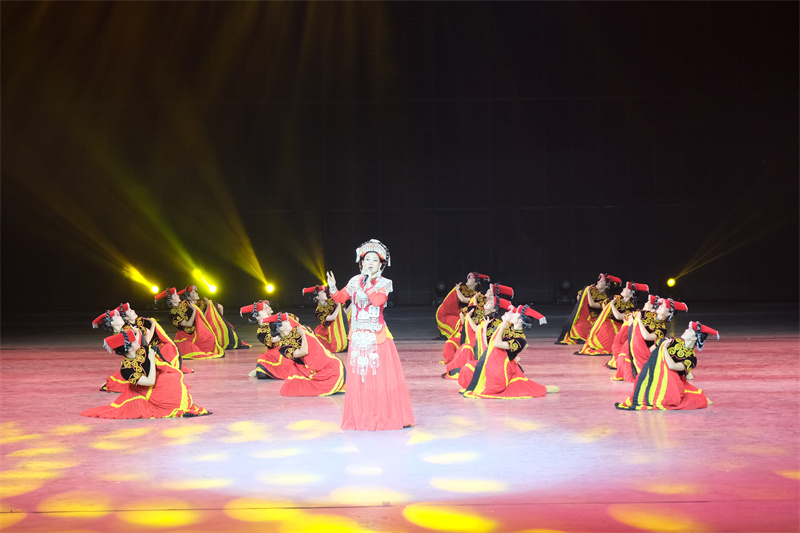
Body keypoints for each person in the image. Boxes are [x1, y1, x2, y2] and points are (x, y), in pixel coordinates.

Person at [326, 239, 415, 431]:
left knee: (379, 378)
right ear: (361, 262)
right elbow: (341, 298)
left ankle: (382, 416)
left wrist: (367, 284)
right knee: (360, 378)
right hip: (357, 337)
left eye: (375, 260)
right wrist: (333, 287)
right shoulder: (354, 281)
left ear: (381, 264)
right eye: (367, 259)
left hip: (377, 337)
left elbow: (376, 301)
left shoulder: (384, 283)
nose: (370, 263)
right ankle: (361, 417)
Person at [81, 328, 210, 419]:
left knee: (169, 377)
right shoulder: (126, 370)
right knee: (166, 383)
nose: (137, 341)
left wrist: (139, 330)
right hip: (145, 391)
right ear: (129, 348)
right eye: (134, 341)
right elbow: (150, 381)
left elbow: (140, 336)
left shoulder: (141, 350)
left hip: (158, 383)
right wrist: (151, 359)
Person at [616, 321, 717, 411]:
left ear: (694, 338)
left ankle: (701, 398)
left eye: (689, 330)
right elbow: (651, 351)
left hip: (672, 383)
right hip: (654, 375)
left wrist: (664, 348)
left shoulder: (691, 359)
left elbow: (672, 366)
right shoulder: (673, 341)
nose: (686, 330)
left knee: (690, 400)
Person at [462, 305, 558, 398]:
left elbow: (496, 343)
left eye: (516, 314)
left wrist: (502, 327)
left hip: (500, 369)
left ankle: (543, 389)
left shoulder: (520, 340)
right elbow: (489, 346)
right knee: (467, 368)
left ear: (519, 321)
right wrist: (484, 328)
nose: (513, 313)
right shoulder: (508, 327)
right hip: (493, 363)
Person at [262, 312, 346, 397]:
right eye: (286, 322)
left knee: (335, 367)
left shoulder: (297, 329)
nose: (289, 321)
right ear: (281, 328)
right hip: (306, 367)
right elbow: (304, 352)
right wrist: (303, 335)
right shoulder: (284, 348)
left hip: (320, 359)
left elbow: (311, 336)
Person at [612, 297, 688, 383]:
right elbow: (628, 319)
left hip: (644, 352)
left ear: (669, 313)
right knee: (623, 363)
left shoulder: (662, 329)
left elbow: (647, 337)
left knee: (636, 374)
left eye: (664, 307)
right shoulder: (646, 313)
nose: (660, 306)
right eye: (661, 305)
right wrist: (633, 322)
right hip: (630, 345)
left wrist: (639, 322)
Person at [116, 302, 191, 374]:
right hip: (142, 353)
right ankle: (170, 368)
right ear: (126, 317)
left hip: (150, 347)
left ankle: (175, 367)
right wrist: (153, 324)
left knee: (169, 346)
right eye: (130, 311)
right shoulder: (128, 330)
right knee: (166, 348)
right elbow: (145, 343)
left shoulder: (140, 321)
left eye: (131, 309)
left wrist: (153, 323)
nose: (133, 311)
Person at [577, 282, 647, 356]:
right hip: (607, 322)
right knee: (603, 326)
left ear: (631, 295)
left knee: (609, 331)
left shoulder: (632, 308)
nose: (624, 289)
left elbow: (619, 317)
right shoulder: (615, 297)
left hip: (618, 327)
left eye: (626, 289)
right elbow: (603, 305)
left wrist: (612, 305)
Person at [156, 287, 225, 359]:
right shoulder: (172, 313)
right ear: (170, 300)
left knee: (211, 338)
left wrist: (191, 288)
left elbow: (197, 310)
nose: (178, 295)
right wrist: (194, 310)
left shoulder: (184, 304)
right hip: (186, 336)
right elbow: (188, 324)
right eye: (175, 295)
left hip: (196, 331)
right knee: (195, 349)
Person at [555, 273, 621, 345]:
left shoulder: (605, 298)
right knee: (575, 326)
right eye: (599, 280)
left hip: (594, 319)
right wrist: (583, 294)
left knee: (587, 329)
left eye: (601, 281)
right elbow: (579, 299)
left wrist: (588, 292)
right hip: (584, 317)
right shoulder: (593, 290)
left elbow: (592, 304)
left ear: (606, 286)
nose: (598, 281)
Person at [179, 285, 250, 350]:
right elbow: (201, 320)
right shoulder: (188, 306)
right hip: (198, 329)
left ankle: (223, 328)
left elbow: (220, 307)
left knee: (212, 304)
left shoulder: (201, 303)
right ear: (188, 296)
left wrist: (220, 320)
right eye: (194, 293)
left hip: (206, 325)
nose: (197, 294)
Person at [241, 300, 298, 380]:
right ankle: (264, 369)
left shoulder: (277, 317)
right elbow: (276, 339)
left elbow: (296, 319)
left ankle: (268, 370)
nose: (268, 309)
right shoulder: (261, 332)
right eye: (264, 309)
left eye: (267, 307)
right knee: (261, 375)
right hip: (274, 354)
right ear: (257, 317)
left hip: (287, 347)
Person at [436, 272, 489, 338]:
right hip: (451, 313)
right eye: (469, 277)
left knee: (463, 327)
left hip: (464, 315)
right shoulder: (462, 289)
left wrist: (457, 290)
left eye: (471, 278)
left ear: (476, 283)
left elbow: (463, 299)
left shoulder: (476, 295)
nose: (468, 279)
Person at [303, 285, 350, 355]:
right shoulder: (318, 311)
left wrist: (351, 304)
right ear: (317, 297)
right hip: (332, 331)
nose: (325, 293)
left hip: (341, 323)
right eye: (322, 293)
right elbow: (333, 318)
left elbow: (344, 313)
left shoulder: (331, 301)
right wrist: (339, 305)